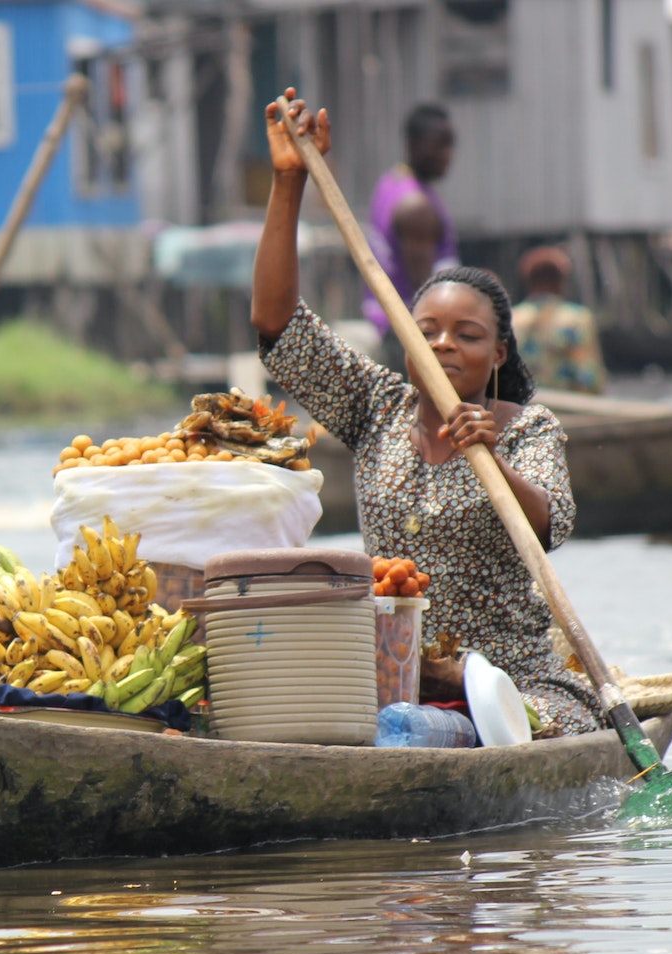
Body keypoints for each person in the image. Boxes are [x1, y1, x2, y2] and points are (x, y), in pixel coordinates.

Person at [253, 90, 597, 737]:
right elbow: (277, 327)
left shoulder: (527, 428)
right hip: (393, 672)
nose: (443, 345)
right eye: (427, 331)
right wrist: (288, 180)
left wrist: (488, 452)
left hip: (509, 680)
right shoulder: (376, 406)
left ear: (497, 353)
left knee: (503, 725)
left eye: (465, 335)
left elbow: (553, 521)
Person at [365, 102, 459, 371]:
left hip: (390, 329)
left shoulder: (390, 183)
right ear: (413, 143)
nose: (447, 155)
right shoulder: (416, 205)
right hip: (410, 337)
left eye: (451, 145)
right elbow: (425, 294)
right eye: (439, 145)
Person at [512, 245, 605, 394]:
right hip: (567, 406)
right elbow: (588, 376)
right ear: (561, 281)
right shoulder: (576, 319)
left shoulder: (512, 319)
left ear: (528, 281)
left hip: (522, 405)